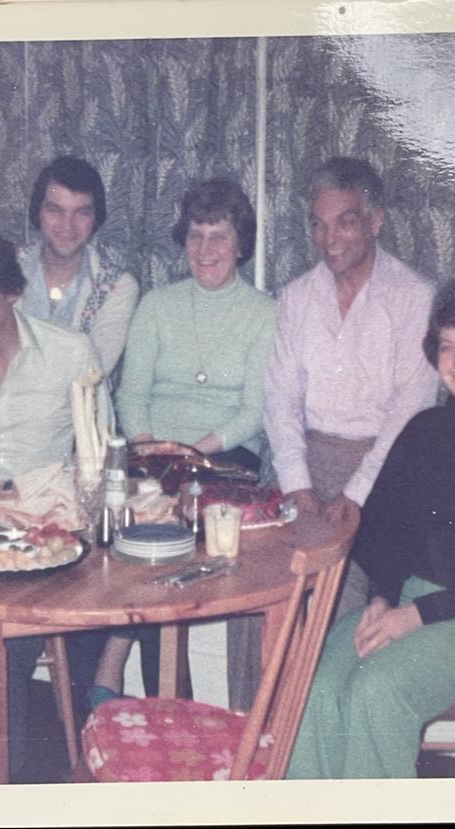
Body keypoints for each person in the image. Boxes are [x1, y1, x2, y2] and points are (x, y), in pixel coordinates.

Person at [286, 278, 455, 779]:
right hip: (404, 602)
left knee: (377, 690)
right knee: (315, 682)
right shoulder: (423, 431)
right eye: (448, 347)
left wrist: (415, 616)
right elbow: (385, 533)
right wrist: (381, 598)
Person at [87, 177, 275, 709]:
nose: (206, 249)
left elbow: (255, 411)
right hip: (153, 453)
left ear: (241, 242)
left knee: (159, 538)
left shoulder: (264, 312)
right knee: (132, 531)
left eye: (219, 236)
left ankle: (140, 686)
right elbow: (132, 393)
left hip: (225, 457)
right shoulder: (156, 305)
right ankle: (166, 701)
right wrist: (151, 450)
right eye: (196, 235)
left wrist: (192, 454)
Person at [0, 226, 111, 777]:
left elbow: (99, 456)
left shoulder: (69, 354)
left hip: (45, 533)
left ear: (11, 291)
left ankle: (19, 771)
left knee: (40, 618)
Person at [264, 156, 440, 619]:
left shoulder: (413, 297)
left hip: (382, 467)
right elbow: (280, 399)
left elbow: (411, 410)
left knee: (340, 589)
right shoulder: (297, 297)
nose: (330, 240)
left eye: (345, 223)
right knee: (263, 574)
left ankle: (323, 691)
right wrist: (297, 486)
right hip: (306, 457)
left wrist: (356, 493)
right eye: (319, 226)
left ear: (375, 221)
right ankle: (253, 696)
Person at [17, 155, 139, 380]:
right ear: (38, 213)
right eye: (55, 210)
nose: (68, 225)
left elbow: (91, 373)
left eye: (81, 213)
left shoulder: (117, 288)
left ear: (96, 219)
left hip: (76, 411)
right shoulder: (4, 269)